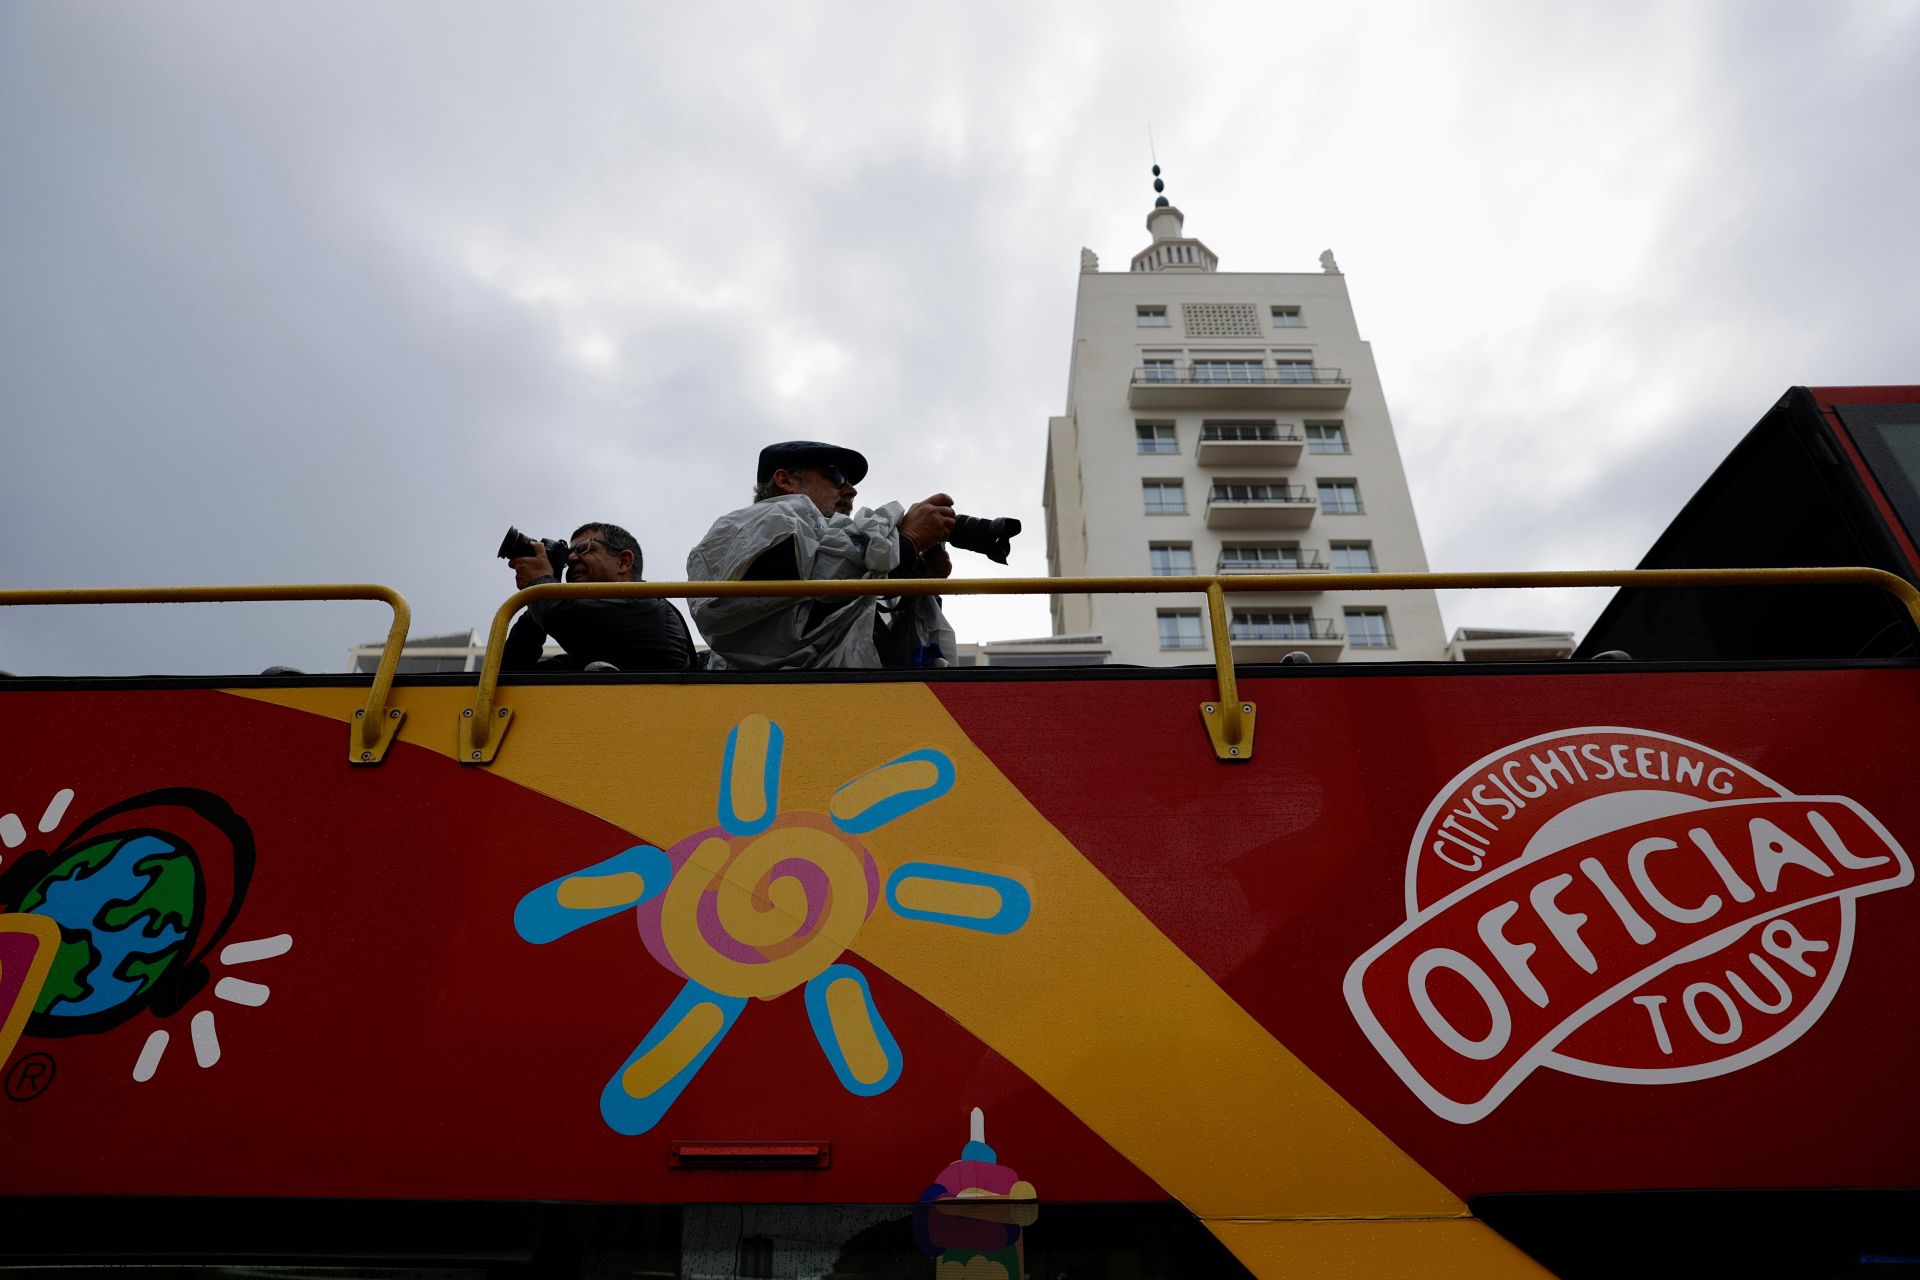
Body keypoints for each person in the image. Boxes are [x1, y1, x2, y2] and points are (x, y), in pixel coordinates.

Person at [686, 441, 957, 670]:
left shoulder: (831, 548)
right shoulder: (761, 523)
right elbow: (810, 594)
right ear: (785, 480)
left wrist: (912, 589)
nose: (851, 490)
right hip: (797, 709)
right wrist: (906, 544)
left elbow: (843, 624)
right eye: (836, 476)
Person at [503, 522, 696, 672]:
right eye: (569, 554)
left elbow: (563, 615)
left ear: (623, 562)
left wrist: (541, 585)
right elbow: (510, 676)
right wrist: (535, 608)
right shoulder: (587, 646)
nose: (571, 559)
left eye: (584, 549)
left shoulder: (651, 609)